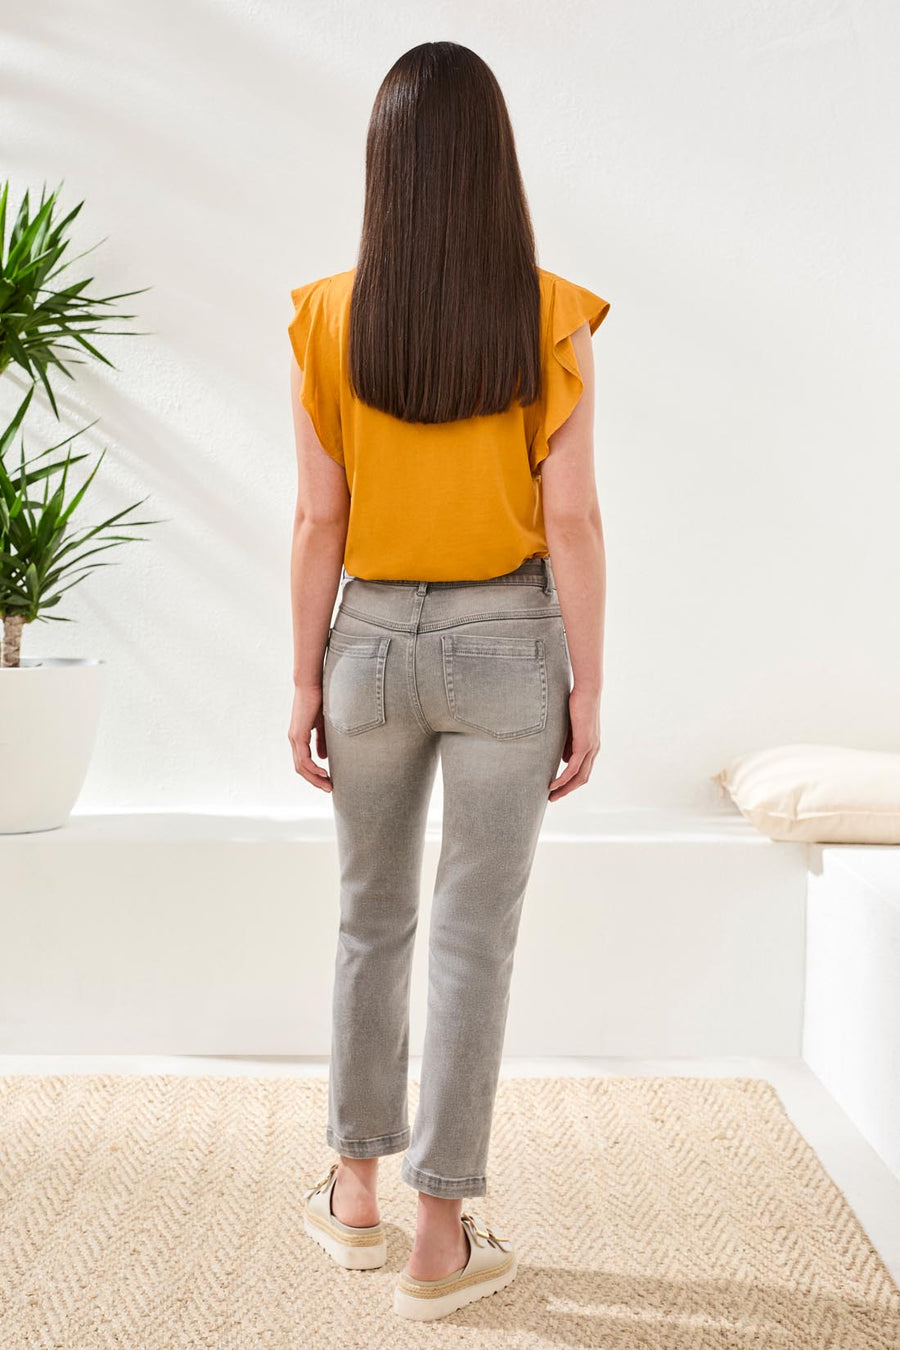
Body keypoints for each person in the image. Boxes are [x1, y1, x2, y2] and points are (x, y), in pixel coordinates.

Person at [287, 40, 609, 1322]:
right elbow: (571, 521)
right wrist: (589, 686)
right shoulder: (552, 315)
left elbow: (318, 519)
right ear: (494, 165)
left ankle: (352, 1196)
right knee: (474, 935)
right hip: (507, 646)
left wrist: (302, 682)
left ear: (384, 167)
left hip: (366, 644)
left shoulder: (324, 317)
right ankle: (438, 1237)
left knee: (370, 920)